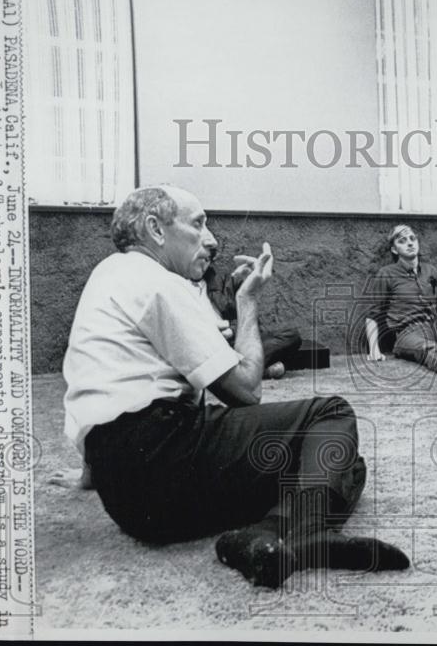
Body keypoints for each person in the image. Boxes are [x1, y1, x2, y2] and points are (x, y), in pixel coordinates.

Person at [60, 185, 409, 588]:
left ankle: (260, 537)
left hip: (131, 504)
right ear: (155, 229)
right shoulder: (157, 281)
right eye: (198, 224)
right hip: (167, 454)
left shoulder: (106, 275)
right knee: (331, 416)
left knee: (343, 463)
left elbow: (98, 379)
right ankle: (308, 531)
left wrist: (93, 472)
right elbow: (246, 390)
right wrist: (248, 302)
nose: (211, 240)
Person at [363, 224, 437, 380]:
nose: (409, 243)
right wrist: (374, 350)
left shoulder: (431, 271)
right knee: (426, 348)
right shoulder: (386, 274)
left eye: (412, 239)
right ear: (394, 250)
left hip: (435, 326)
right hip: (408, 333)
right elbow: (372, 315)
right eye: (402, 241)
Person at [203, 262, 302, 380]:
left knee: (291, 335)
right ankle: (249, 370)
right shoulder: (181, 288)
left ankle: (237, 370)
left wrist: (231, 330)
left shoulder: (228, 281)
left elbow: (252, 321)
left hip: (236, 344)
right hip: (208, 349)